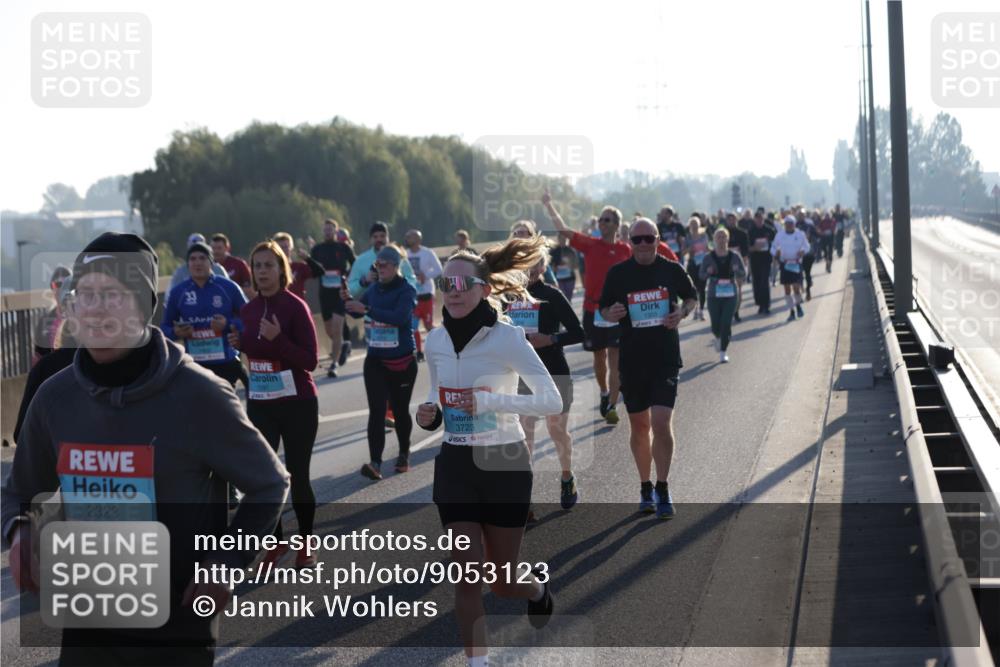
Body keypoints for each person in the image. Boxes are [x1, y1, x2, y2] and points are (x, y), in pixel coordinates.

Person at [3, 232, 289, 665]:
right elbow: (17, 490)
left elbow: (270, 484)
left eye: (111, 295)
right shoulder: (54, 398)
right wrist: (19, 529)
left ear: (142, 305)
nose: (95, 308)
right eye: (85, 295)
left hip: (176, 627)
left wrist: (225, 565)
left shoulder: (200, 394)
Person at [415, 236, 561, 666]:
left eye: (463, 283)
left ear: (484, 289)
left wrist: (492, 402)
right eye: (447, 283)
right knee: (466, 575)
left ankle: (536, 589)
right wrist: (429, 415)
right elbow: (437, 395)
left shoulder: (508, 339)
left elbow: (552, 400)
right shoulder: (435, 341)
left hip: (504, 462)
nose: (453, 290)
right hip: (456, 463)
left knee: (502, 580)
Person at [598, 219, 697, 519]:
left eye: (648, 238)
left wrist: (682, 312)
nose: (643, 244)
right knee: (640, 427)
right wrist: (611, 313)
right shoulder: (618, 274)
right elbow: (603, 308)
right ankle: (645, 486)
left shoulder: (672, 269)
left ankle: (663, 487)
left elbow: (691, 297)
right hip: (633, 359)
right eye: (637, 239)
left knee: (661, 422)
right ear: (629, 241)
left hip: (665, 357)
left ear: (657, 239)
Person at [229, 239, 320, 569]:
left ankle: (306, 544)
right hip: (262, 403)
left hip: (297, 403)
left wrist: (278, 340)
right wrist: (240, 343)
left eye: (269, 265)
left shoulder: (295, 306)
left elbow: (310, 360)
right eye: (257, 266)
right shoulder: (248, 310)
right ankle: (277, 542)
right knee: (267, 478)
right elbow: (255, 354)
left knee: (298, 476)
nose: (262, 271)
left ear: (282, 270)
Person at [543, 192, 630, 426]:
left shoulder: (625, 250)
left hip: (617, 312)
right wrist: (549, 204)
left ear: (617, 225)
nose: (602, 223)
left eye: (607, 220)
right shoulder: (590, 245)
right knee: (599, 357)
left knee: (615, 359)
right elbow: (563, 229)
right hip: (593, 310)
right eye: (600, 219)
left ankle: (612, 405)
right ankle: (604, 392)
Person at [506, 251, 584, 512]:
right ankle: (525, 497)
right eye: (524, 262)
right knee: (525, 434)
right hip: (522, 375)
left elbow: (578, 333)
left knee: (556, 431)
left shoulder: (552, 295)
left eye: (535, 262)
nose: (529, 267)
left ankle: (567, 477)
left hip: (554, 372)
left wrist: (550, 339)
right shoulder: (508, 296)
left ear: (543, 266)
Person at [345, 246, 418, 478]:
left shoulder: (406, 290)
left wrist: (367, 309)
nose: (380, 268)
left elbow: (399, 318)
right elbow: (356, 311)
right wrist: (347, 301)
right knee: (376, 411)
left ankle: (404, 453)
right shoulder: (374, 289)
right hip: (376, 359)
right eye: (377, 264)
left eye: (384, 264)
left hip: (402, 362)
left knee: (400, 410)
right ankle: (375, 463)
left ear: (396, 266)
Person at [162, 241, 248, 387]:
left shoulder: (228, 287)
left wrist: (228, 324)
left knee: (223, 401)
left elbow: (249, 319)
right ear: (188, 264)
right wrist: (175, 332)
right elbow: (164, 328)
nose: (198, 263)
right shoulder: (178, 293)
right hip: (195, 365)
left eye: (202, 258)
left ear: (211, 262)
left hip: (226, 363)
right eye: (193, 259)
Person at [310, 219, 356, 378]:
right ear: (323, 231)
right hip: (324, 294)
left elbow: (355, 264)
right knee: (330, 331)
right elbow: (313, 270)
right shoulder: (317, 249)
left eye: (331, 229)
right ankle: (343, 345)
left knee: (337, 330)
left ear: (336, 231)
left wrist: (347, 277)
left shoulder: (343, 247)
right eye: (326, 229)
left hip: (340, 293)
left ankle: (334, 364)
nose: (328, 232)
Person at [700, 228, 747, 363]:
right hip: (713, 294)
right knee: (715, 325)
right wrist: (708, 272)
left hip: (730, 294)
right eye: (718, 237)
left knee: (726, 322)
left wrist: (737, 271)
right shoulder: (708, 257)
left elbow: (743, 273)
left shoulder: (735, 256)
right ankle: (718, 337)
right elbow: (701, 275)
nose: (721, 240)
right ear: (714, 240)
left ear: (728, 239)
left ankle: (723, 352)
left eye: (723, 237)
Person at [404, 229, 444, 362]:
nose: (407, 239)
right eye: (407, 237)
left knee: (428, 326)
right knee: (413, 326)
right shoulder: (405, 254)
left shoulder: (427, 253)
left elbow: (439, 269)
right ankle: (419, 352)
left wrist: (425, 276)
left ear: (418, 239)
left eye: (410, 237)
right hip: (412, 295)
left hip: (426, 294)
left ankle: (442, 346)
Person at [31, 265, 72, 365]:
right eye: (57, 284)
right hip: (51, 371)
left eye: (65, 284)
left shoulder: (80, 317)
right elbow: (38, 355)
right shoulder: (44, 321)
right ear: (52, 287)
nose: (61, 288)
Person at [772, 215, 810, 321]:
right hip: (785, 264)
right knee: (787, 289)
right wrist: (776, 253)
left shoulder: (800, 234)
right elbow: (773, 247)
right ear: (784, 225)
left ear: (794, 224)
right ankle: (791, 311)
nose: (789, 226)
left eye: (791, 224)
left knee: (796, 287)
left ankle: (798, 306)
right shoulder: (780, 235)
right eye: (787, 224)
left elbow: (807, 246)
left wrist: (803, 251)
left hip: (796, 263)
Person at [271, 232, 324, 302]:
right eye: (281, 247)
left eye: (286, 247)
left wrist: (307, 259)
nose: (283, 250)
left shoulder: (298, 267)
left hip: (297, 305)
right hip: (277, 305)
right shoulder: (270, 269)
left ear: (291, 248)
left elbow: (320, 271)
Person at [510, 220, 558, 286]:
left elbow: (552, 282)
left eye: (521, 232)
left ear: (530, 235)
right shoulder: (508, 255)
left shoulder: (538, 254)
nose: (518, 235)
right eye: (515, 233)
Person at [747, 210, 776, 314]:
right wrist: (754, 248)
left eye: (761, 218)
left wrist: (772, 250)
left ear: (763, 219)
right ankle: (760, 304)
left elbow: (776, 244)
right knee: (757, 282)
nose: (759, 220)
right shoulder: (750, 231)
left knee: (764, 282)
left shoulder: (770, 230)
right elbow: (747, 247)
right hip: (755, 259)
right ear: (754, 219)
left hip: (766, 259)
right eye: (757, 218)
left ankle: (766, 305)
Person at [723, 212, 749, 323]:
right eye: (729, 219)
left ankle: (736, 311)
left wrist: (744, 264)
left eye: (733, 219)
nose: (731, 221)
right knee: (726, 289)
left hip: (738, 263)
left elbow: (745, 251)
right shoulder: (723, 233)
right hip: (725, 265)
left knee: (738, 289)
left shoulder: (742, 233)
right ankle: (728, 312)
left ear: (736, 220)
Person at [685, 217, 710, 321]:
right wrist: (689, 250)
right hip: (692, 265)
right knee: (694, 289)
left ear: (699, 225)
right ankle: (695, 309)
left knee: (702, 288)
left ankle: (701, 310)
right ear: (690, 226)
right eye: (692, 224)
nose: (694, 226)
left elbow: (707, 248)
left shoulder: (704, 236)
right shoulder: (688, 237)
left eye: (696, 224)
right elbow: (683, 252)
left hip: (703, 265)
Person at [549, 233, 579, 302]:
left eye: (564, 238)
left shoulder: (571, 250)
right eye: (561, 238)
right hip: (558, 279)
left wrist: (569, 265)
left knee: (569, 299)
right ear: (558, 239)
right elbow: (550, 265)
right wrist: (555, 267)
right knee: (562, 298)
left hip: (570, 279)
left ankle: (568, 308)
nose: (563, 240)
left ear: (566, 239)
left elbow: (576, 265)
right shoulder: (554, 251)